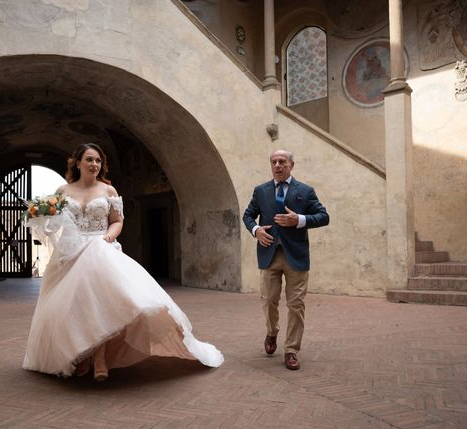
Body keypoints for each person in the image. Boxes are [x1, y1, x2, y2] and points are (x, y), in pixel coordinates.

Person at [22, 143, 224, 381]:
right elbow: (56, 223)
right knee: (77, 308)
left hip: (101, 249)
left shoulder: (108, 191)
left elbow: (117, 221)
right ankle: (80, 355)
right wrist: (42, 216)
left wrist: (107, 237)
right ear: (77, 163)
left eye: (98, 161)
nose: (94, 165)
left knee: (104, 305)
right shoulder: (63, 191)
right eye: (89, 160)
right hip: (71, 254)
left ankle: (99, 359)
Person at [242, 149, 329, 370]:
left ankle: (291, 350)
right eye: (274, 162)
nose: (278, 165)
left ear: (291, 165)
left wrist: (298, 219)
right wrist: (256, 230)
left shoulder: (305, 191)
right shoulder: (261, 191)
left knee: (296, 305)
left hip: (296, 256)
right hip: (269, 254)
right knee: (269, 300)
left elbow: (323, 216)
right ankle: (272, 333)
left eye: (282, 161)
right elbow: (248, 215)